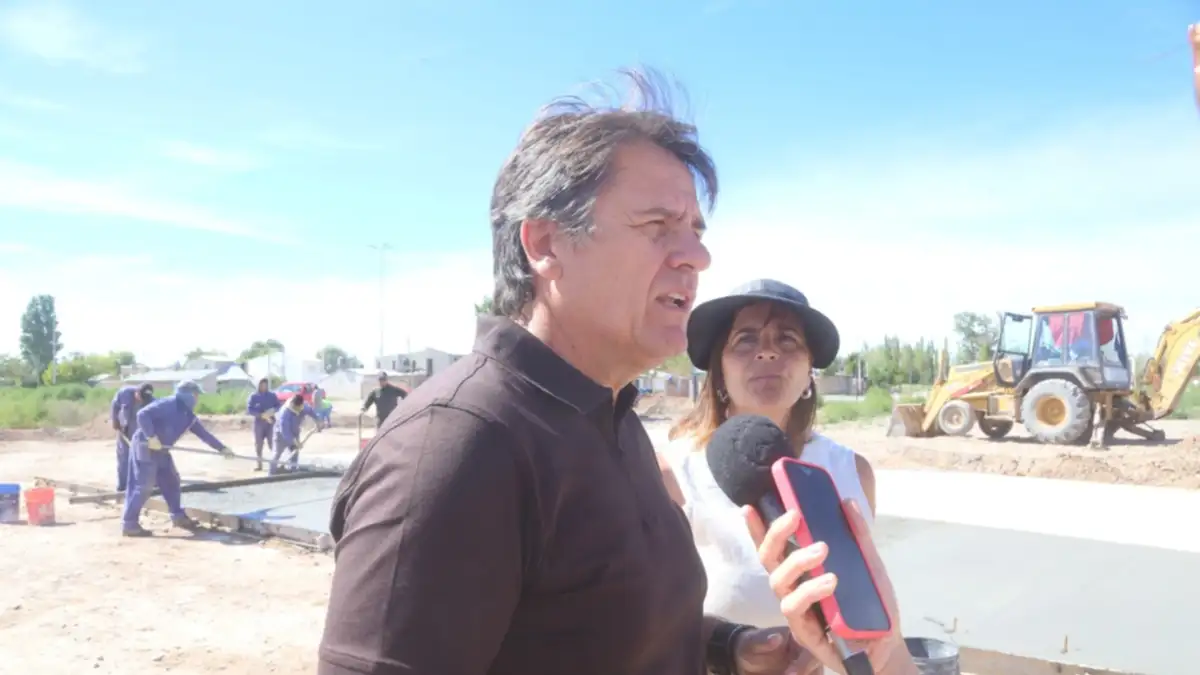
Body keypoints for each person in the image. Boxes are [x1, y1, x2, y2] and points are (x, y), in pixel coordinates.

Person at [318, 70, 797, 675]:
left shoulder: (611, 419)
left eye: (696, 232)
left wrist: (728, 647)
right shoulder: (456, 446)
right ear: (546, 244)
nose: (698, 257)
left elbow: (590, 625)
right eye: (657, 226)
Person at [658, 279, 882, 672]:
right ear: (719, 371)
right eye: (744, 340)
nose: (767, 352)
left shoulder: (852, 473)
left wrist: (826, 647)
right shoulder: (673, 472)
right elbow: (648, 616)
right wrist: (730, 647)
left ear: (810, 371)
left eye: (788, 339)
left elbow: (860, 597)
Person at [122, 380, 232, 537]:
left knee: (171, 481)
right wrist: (151, 436)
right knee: (144, 486)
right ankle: (129, 524)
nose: (197, 399)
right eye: (196, 395)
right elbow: (142, 415)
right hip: (145, 446)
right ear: (187, 395)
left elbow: (203, 434)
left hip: (162, 449)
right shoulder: (169, 404)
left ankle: (178, 516)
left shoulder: (188, 416)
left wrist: (221, 448)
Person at [109, 383, 154, 492]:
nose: (141, 401)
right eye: (140, 397)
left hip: (139, 433)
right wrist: (115, 421)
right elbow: (115, 405)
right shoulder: (124, 393)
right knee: (124, 459)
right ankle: (123, 486)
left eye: (144, 399)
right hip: (124, 431)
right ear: (136, 392)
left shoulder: (152, 402)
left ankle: (143, 485)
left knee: (142, 459)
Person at [271, 393, 320, 475]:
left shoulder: (303, 406)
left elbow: (310, 411)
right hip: (280, 434)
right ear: (293, 405)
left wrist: (318, 420)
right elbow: (285, 432)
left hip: (295, 432)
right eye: (297, 408)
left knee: (295, 453)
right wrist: (296, 442)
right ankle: (272, 473)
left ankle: (293, 471)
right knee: (277, 454)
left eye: (300, 407)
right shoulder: (285, 413)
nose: (300, 409)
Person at [246, 378, 281, 471]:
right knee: (259, 444)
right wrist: (260, 415)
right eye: (261, 385)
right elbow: (249, 409)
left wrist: (272, 410)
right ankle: (259, 465)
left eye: (265, 385)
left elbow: (278, 405)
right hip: (259, 423)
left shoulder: (272, 395)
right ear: (258, 385)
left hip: (270, 422)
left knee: (272, 443)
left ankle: (275, 464)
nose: (263, 386)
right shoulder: (254, 396)